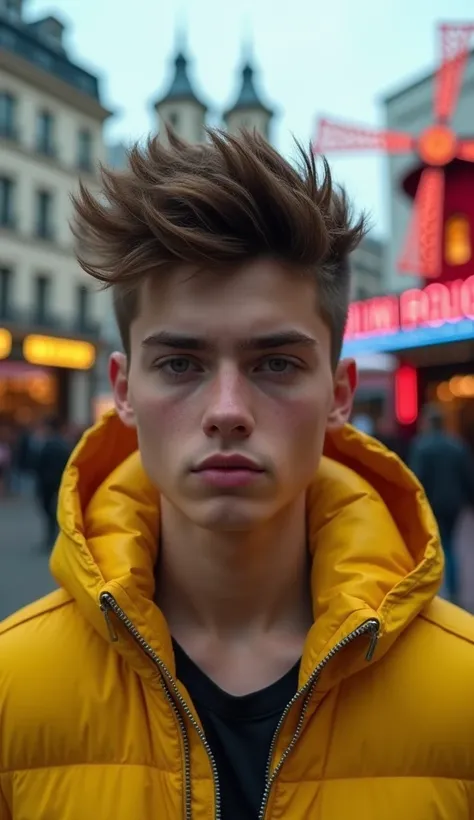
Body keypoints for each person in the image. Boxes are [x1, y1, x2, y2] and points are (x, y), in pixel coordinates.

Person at [0, 130, 474, 820]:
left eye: (275, 363)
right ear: (124, 390)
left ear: (340, 394)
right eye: (181, 364)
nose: (227, 412)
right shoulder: (13, 685)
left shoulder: (462, 689)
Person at [409, 403, 474, 603]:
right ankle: (453, 591)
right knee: (450, 544)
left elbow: (416, 478)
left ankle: (435, 592)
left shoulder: (421, 446)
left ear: (428, 423)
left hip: (432, 502)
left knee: (433, 546)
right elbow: (468, 477)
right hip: (454, 503)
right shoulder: (457, 445)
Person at [32, 416, 73, 547]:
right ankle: (55, 535)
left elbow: (38, 465)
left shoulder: (46, 445)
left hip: (47, 482)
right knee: (55, 509)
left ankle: (52, 535)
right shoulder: (63, 445)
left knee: (48, 508)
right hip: (58, 481)